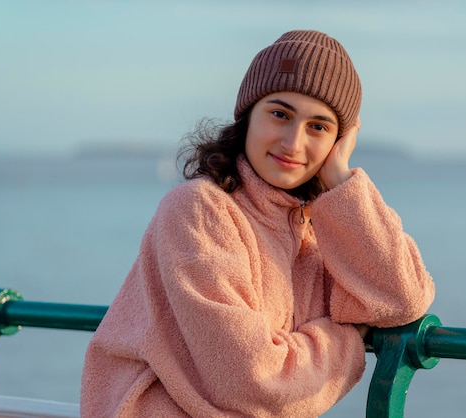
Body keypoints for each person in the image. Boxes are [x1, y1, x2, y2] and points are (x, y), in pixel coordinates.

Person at [81, 29, 435, 417]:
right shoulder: (199, 209)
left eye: (318, 126)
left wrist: (340, 179)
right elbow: (253, 379)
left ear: (339, 140)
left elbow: (402, 299)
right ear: (248, 116)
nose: (292, 143)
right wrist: (347, 341)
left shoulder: (317, 228)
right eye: (280, 115)